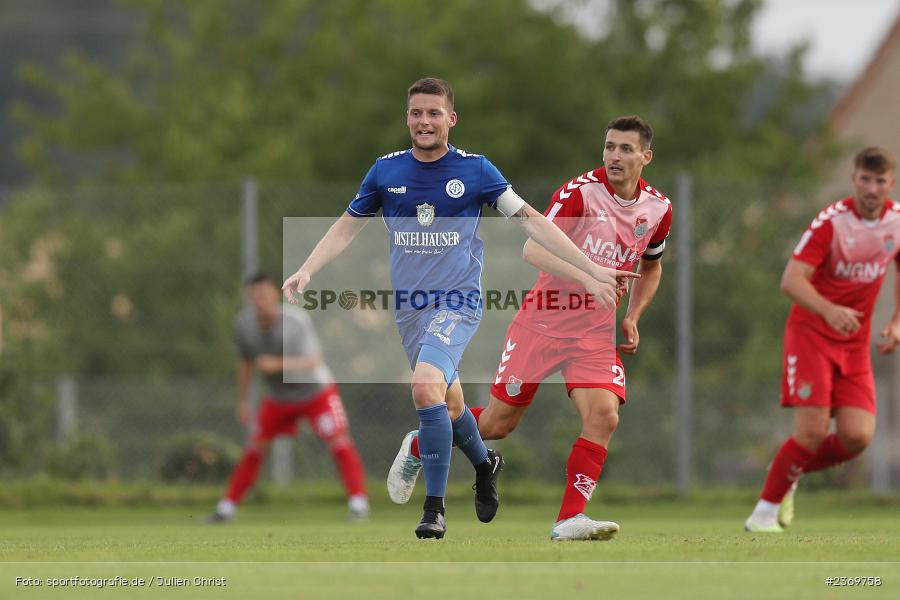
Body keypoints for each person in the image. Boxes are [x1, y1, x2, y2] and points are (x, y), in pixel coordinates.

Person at [282, 78, 638, 539]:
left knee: (425, 388)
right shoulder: (384, 172)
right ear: (407, 118)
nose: (424, 122)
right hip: (409, 309)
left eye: (434, 113)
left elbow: (533, 221)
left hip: (458, 302)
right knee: (449, 405)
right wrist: (308, 269)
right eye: (416, 114)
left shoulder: (476, 170)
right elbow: (348, 227)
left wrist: (590, 267)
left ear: (451, 118)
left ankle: (434, 509)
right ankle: (484, 462)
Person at [387, 115, 672, 541]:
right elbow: (533, 249)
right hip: (543, 321)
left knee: (604, 415)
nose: (614, 156)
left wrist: (632, 315)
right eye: (610, 146)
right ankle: (419, 443)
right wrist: (591, 278)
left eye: (626, 149)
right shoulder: (581, 194)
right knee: (500, 424)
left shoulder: (658, 208)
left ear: (645, 157)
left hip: (593, 334)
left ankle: (569, 519)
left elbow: (651, 267)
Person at [744, 147, 899, 533]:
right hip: (811, 335)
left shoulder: (896, 222)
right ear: (854, 179)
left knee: (857, 437)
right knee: (810, 433)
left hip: (854, 343)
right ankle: (763, 515)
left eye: (880, 181)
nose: (871, 188)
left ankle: (786, 471)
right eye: (865, 179)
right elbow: (791, 280)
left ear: (890, 184)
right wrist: (829, 310)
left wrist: (896, 321)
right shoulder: (832, 222)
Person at [205, 272, 369, 523]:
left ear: (275, 294)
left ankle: (358, 503)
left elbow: (314, 361)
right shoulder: (244, 325)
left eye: (264, 294)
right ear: (248, 297)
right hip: (279, 399)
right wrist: (243, 400)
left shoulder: (296, 321)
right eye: (254, 295)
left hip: (316, 393)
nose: (260, 300)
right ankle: (226, 509)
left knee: (339, 443)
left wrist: (277, 364)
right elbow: (246, 363)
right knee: (254, 449)